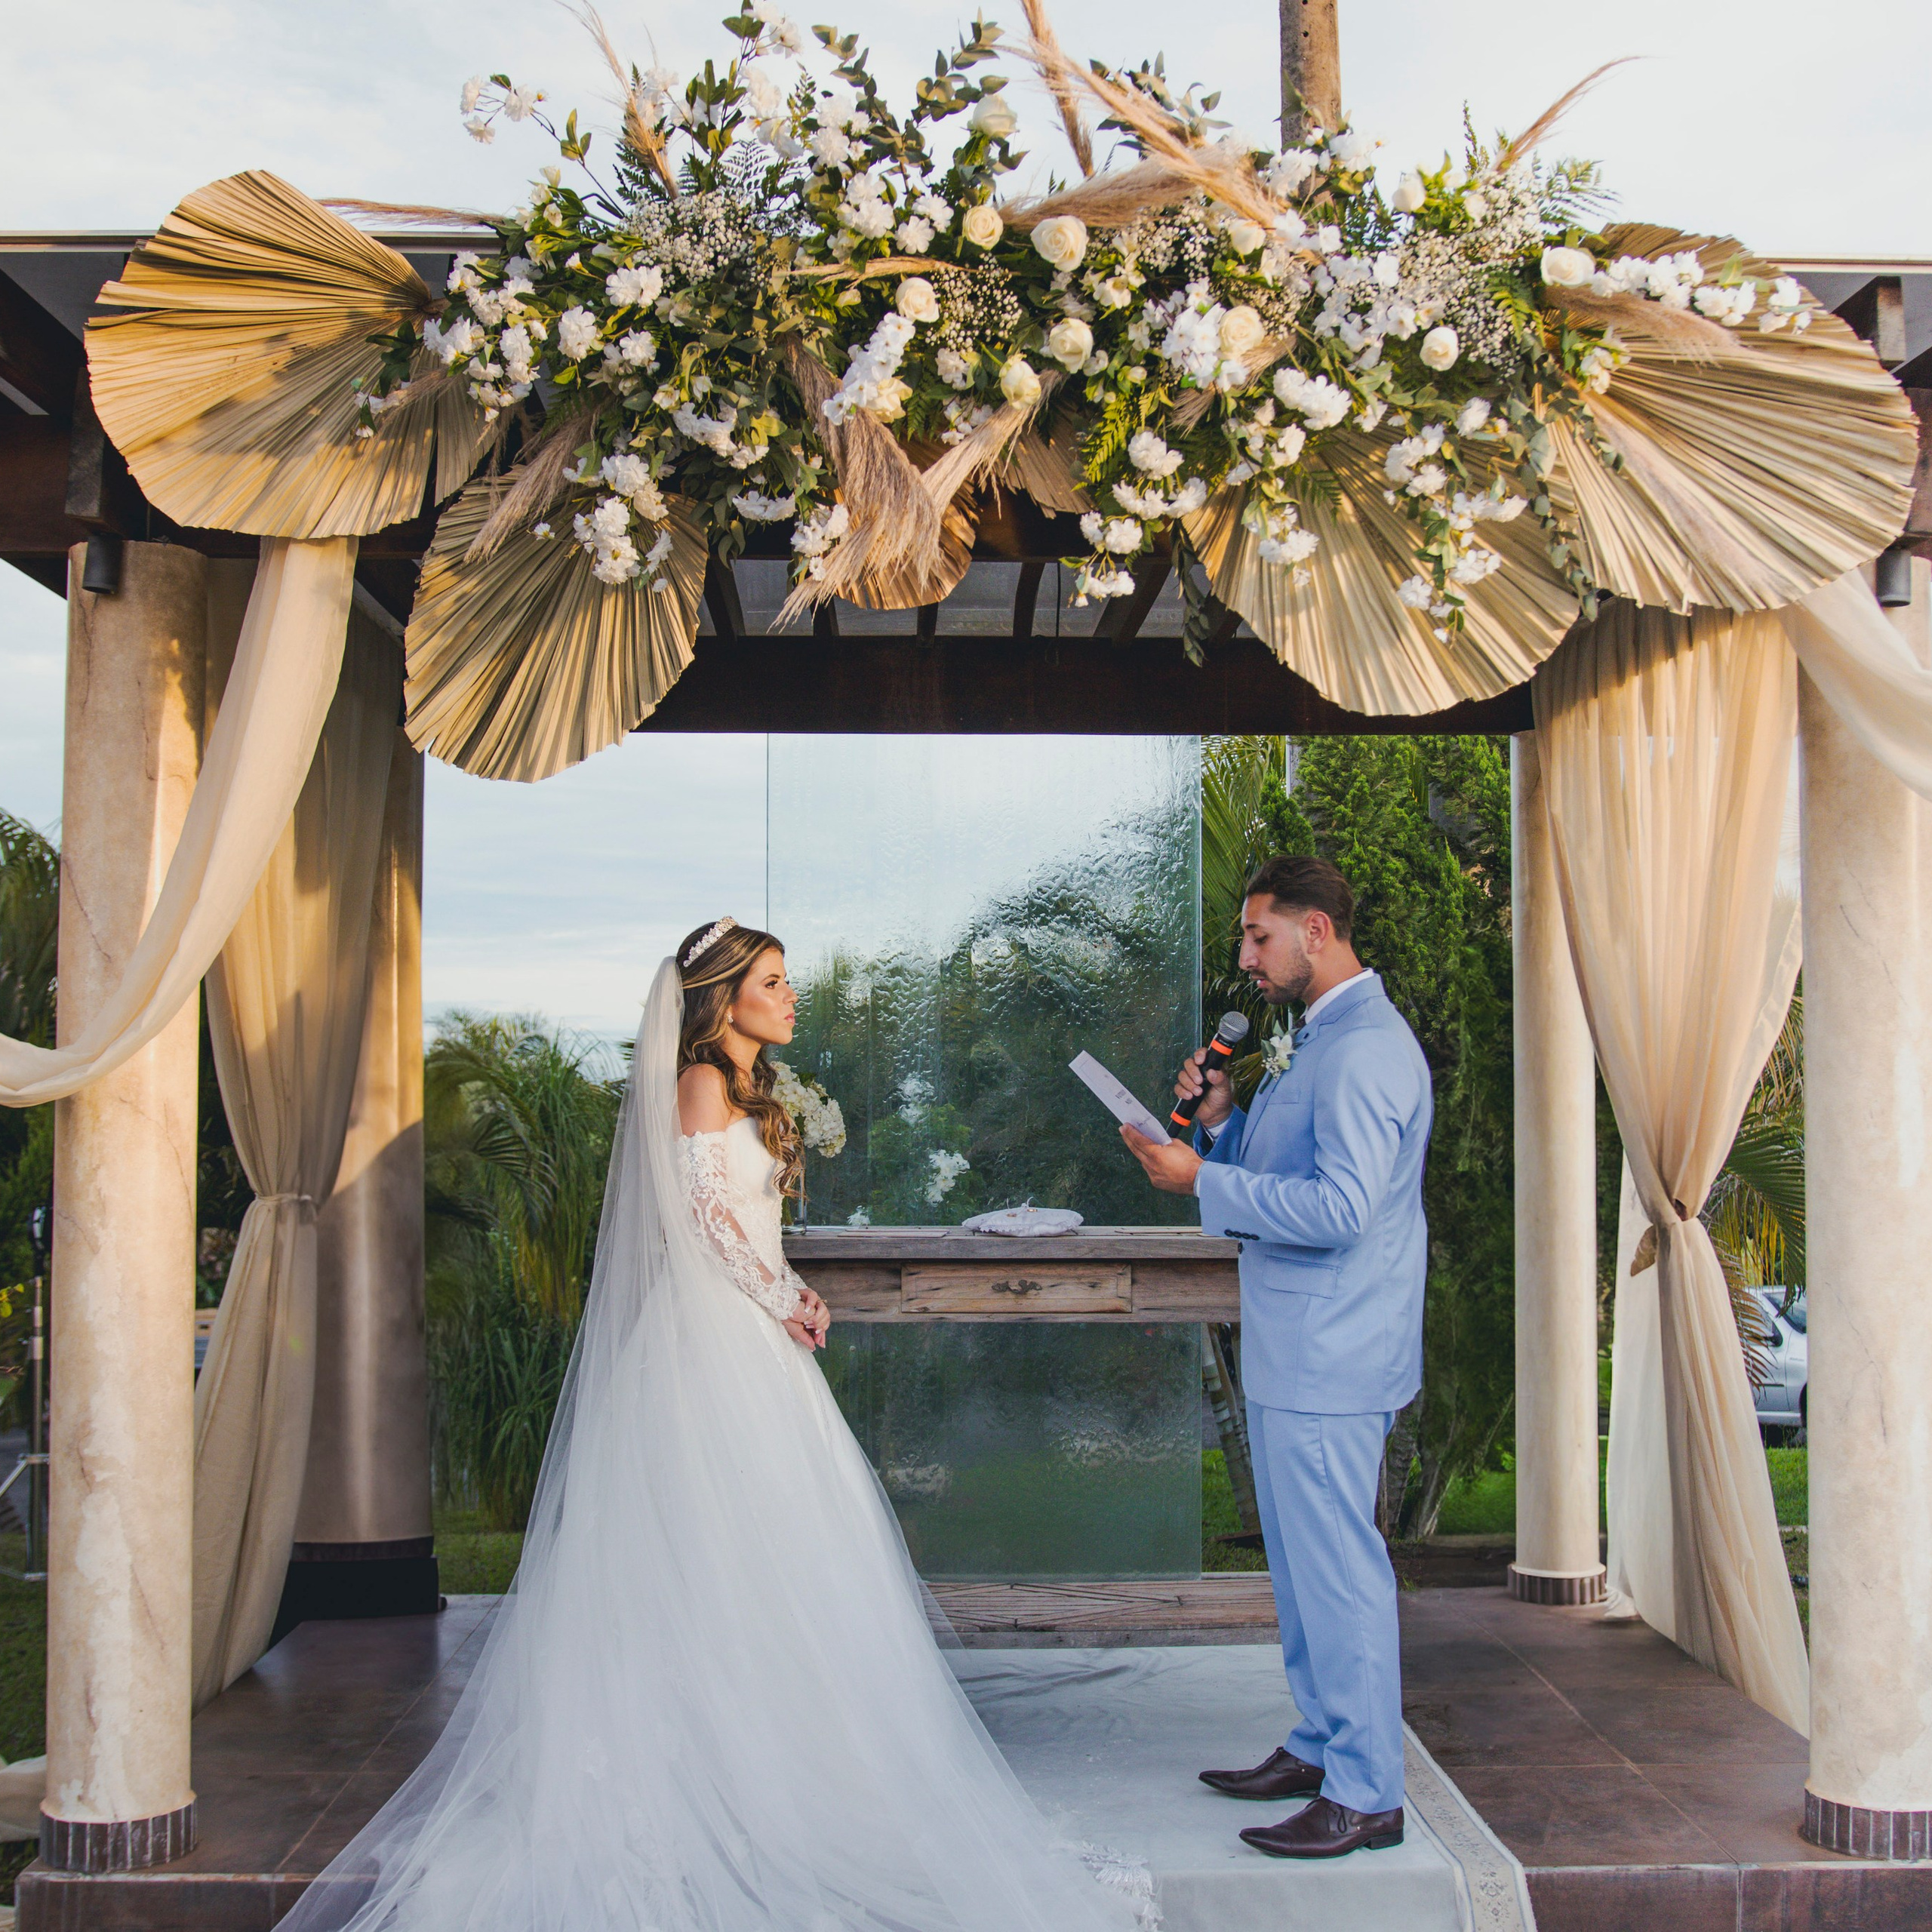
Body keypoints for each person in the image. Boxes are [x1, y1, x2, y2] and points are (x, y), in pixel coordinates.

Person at [276, 919, 1138, 1932]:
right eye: (772, 981)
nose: (791, 995)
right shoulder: (698, 1083)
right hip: (712, 1340)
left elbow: (750, 1224)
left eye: (786, 979)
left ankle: (797, 1764)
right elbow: (707, 1223)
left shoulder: (750, 1089)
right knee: (720, 1548)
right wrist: (782, 1297)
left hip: (754, 1327)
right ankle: (710, 1774)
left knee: (784, 1554)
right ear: (724, 999)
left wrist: (793, 1290)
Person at [1120, 856, 1432, 1860]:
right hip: (1300, 1345)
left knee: (1340, 1572)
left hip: (1335, 1351)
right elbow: (1293, 1170)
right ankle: (1321, 1744)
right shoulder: (1320, 1037)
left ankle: (1368, 1794)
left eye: (1261, 937)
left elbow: (1341, 1210)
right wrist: (1221, 1126)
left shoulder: (1367, 1050)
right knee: (1302, 1572)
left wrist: (1197, 1184)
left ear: (1316, 932)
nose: (1248, 958)